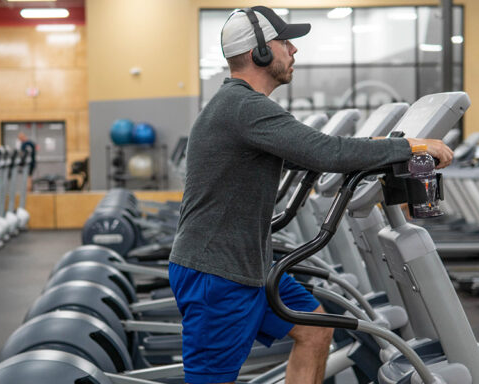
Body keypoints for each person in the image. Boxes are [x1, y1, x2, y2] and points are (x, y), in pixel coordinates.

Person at [167, 6, 453, 384]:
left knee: (315, 329)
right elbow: (328, 153)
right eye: (285, 42)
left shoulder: (239, 107)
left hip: (248, 264)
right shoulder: (244, 107)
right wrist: (409, 147)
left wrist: (378, 146)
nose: (293, 50)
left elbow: (315, 150)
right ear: (261, 53)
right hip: (218, 274)